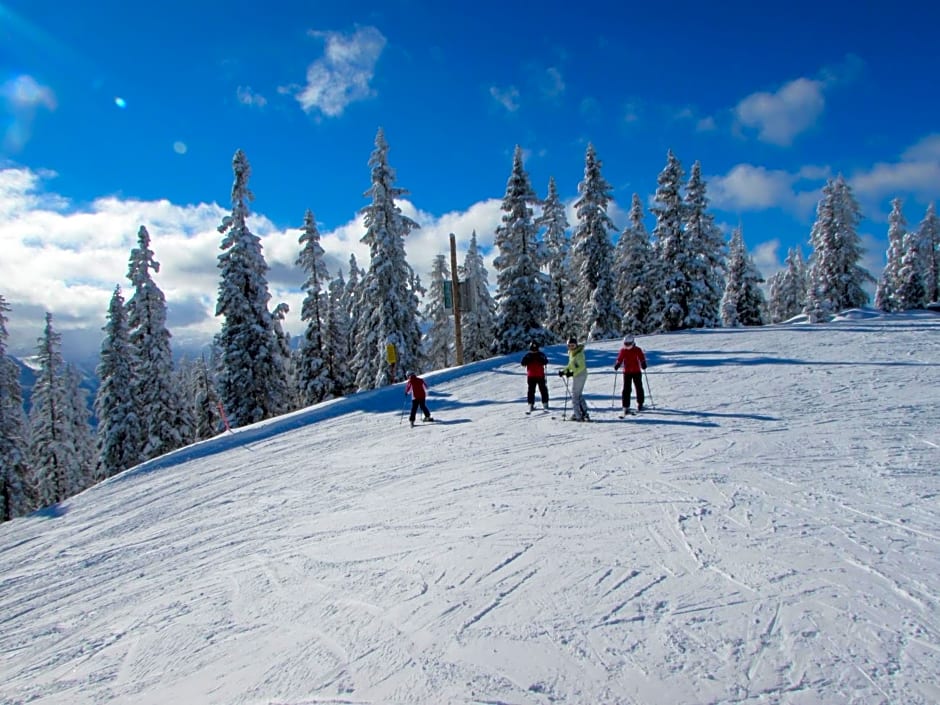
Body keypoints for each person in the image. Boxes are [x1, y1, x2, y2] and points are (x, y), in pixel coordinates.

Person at [613, 334, 647, 413]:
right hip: (627, 372)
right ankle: (625, 405)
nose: (627, 346)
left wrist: (643, 363)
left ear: (632, 343)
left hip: (636, 371)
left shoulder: (637, 350)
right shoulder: (623, 350)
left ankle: (640, 403)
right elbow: (620, 358)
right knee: (626, 389)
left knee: (639, 387)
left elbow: (641, 357)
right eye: (625, 344)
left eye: (628, 344)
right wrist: (617, 364)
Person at [558, 336, 589, 421]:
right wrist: (564, 371)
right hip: (578, 375)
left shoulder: (579, 354)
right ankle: (584, 412)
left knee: (575, 395)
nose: (571, 347)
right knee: (578, 394)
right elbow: (570, 366)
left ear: (576, 345)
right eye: (569, 345)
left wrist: (571, 373)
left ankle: (578, 415)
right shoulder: (572, 353)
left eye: (573, 345)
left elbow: (581, 367)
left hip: (580, 375)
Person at [520, 342, 550, 412]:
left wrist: (541, 360)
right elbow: (522, 363)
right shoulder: (528, 355)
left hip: (539, 376)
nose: (534, 351)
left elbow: (546, 361)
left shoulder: (540, 355)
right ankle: (531, 404)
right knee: (531, 391)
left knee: (542, 390)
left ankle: (545, 403)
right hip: (532, 376)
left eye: (535, 349)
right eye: (532, 349)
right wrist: (526, 361)